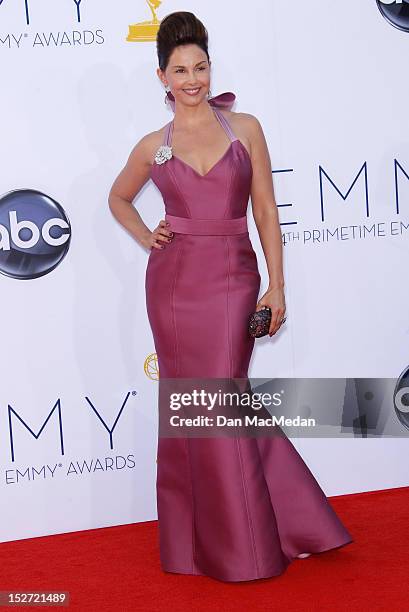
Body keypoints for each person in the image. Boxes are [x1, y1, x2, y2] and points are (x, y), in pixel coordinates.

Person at [108, 11, 353, 582]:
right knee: (190, 406)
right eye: (179, 70)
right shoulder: (153, 145)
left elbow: (265, 210)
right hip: (172, 287)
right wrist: (148, 236)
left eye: (200, 66)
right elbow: (118, 199)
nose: (191, 78)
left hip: (234, 279)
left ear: (210, 66)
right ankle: (207, 542)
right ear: (161, 77)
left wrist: (277, 284)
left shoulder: (244, 127)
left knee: (223, 395)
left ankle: (250, 539)